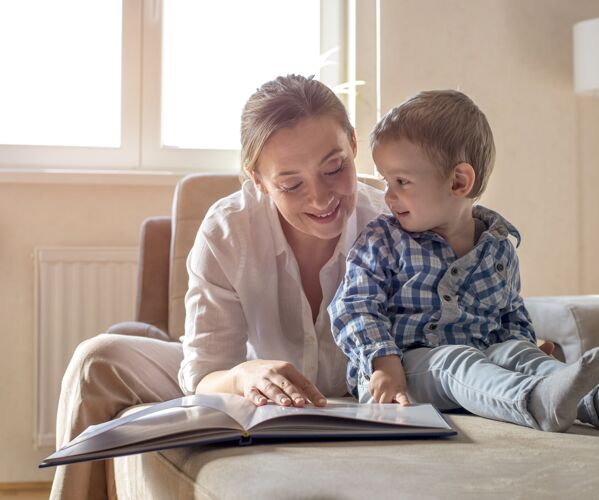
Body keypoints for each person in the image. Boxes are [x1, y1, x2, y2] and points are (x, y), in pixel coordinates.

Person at [51, 74, 387, 499]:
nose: (321, 198)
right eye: (291, 183)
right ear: (258, 180)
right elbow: (204, 375)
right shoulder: (229, 230)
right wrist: (242, 374)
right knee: (97, 359)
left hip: (350, 394)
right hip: (239, 383)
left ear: (354, 146)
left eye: (335, 168)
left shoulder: (391, 226)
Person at [329, 90, 599, 433]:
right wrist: (382, 362)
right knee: (455, 361)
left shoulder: (498, 248)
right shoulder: (383, 240)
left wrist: (526, 345)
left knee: (518, 355)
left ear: (459, 181)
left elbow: (510, 315)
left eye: (401, 182)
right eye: (387, 181)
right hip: (402, 373)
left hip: (483, 360)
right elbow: (354, 306)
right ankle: (535, 402)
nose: (389, 195)